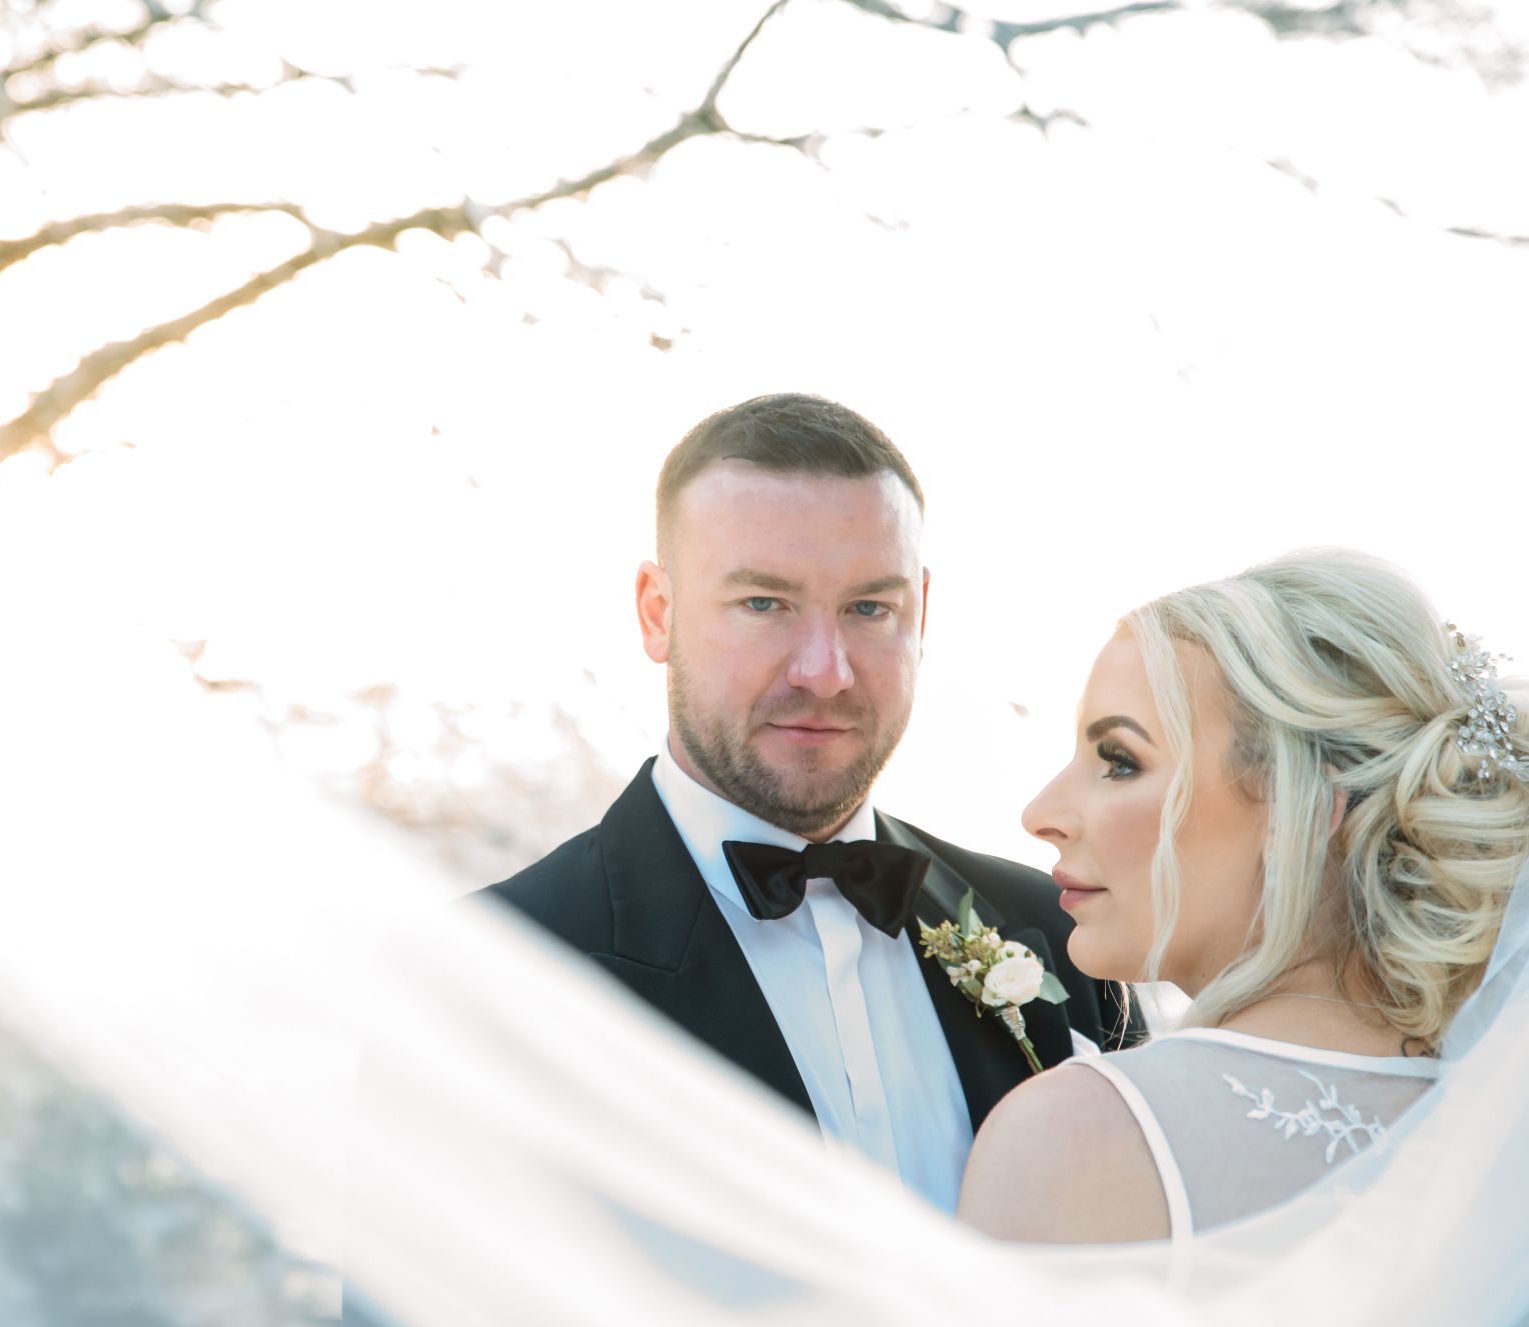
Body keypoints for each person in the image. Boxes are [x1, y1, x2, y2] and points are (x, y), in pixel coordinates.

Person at [484, 392, 1135, 1213]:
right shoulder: (485, 972)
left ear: (922, 614)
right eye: (764, 604)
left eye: (870, 608)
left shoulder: (1065, 934)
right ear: (659, 613)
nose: (824, 671)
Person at [960, 549, 1529, 1248]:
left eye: (1119, 761)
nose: (1040, 811)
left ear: (1302, 809)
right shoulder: (1501, 1120)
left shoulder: (1082, 1137)